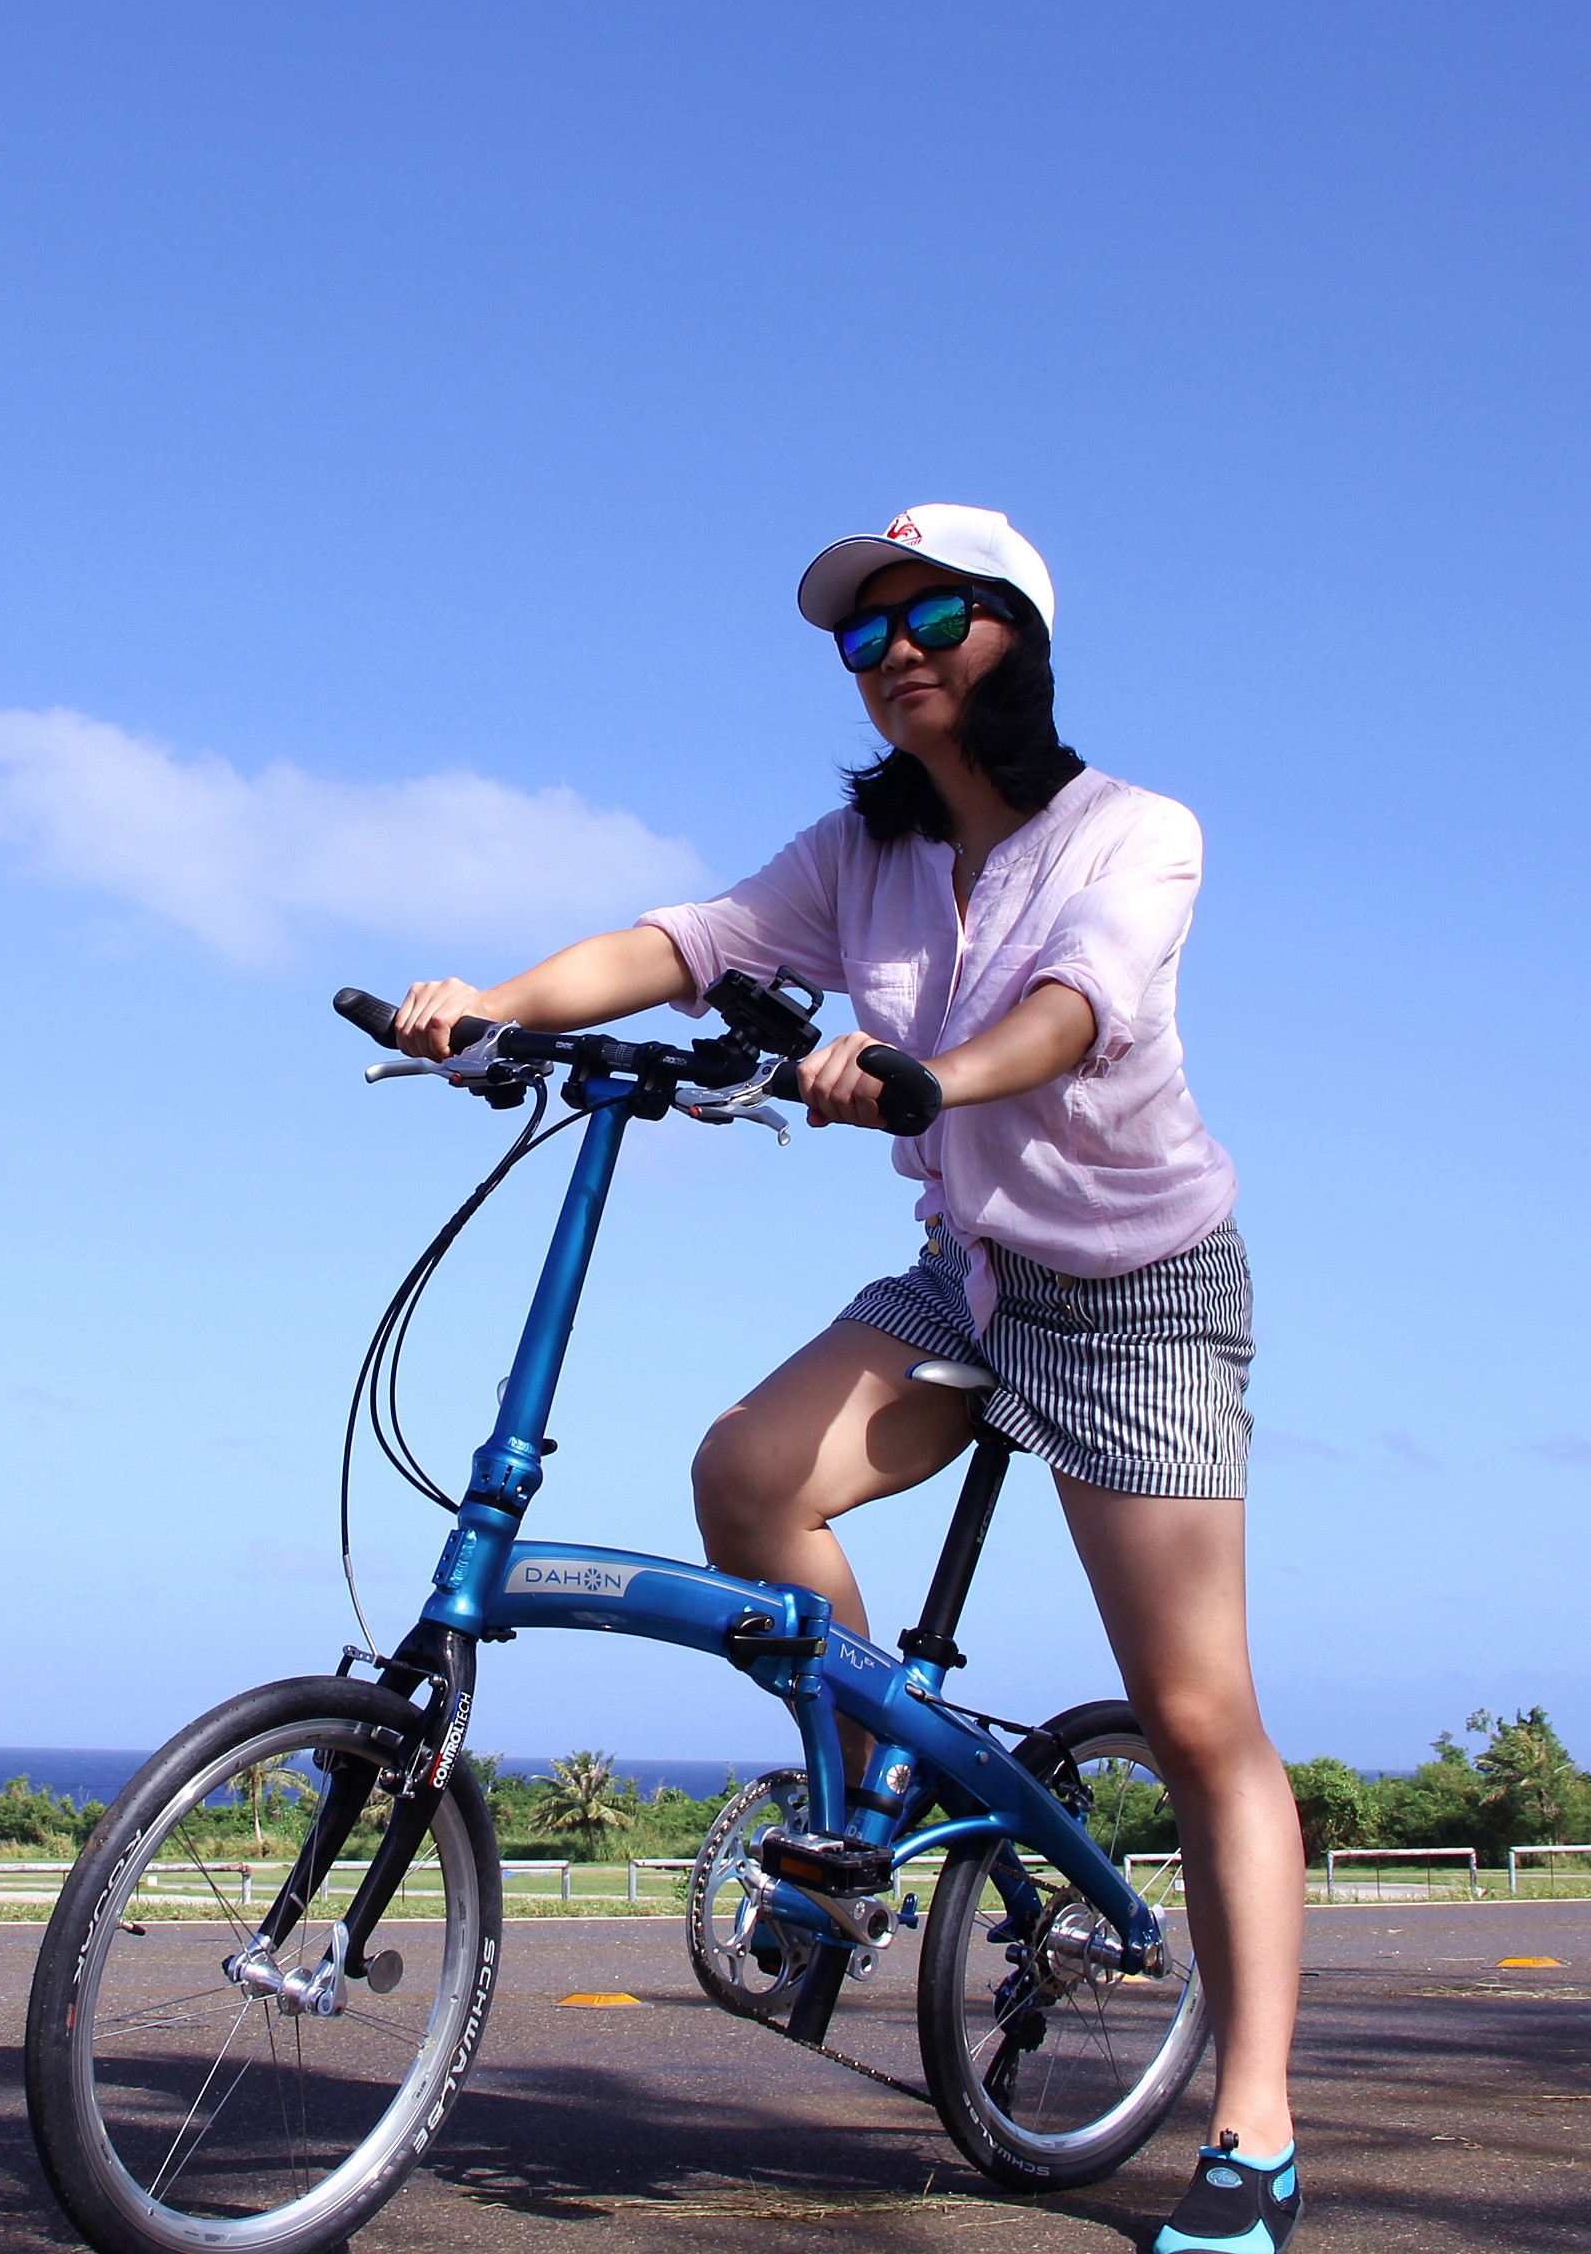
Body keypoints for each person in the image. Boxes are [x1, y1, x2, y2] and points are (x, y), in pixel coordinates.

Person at [393, 504, 1301, 2253]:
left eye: (930, 616)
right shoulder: (858, 852)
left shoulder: (1135, 830)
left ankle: (1252, 2124)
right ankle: (862, 1791)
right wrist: (495, 1003)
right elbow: (690, 942)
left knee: (1199, 1721)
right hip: (967, 1275)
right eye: (860, 633)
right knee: (745, 1476)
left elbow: (1083, 1001)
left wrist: (930, 1076)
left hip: (1140, 1298)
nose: (892, 651)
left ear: (1017, 634)